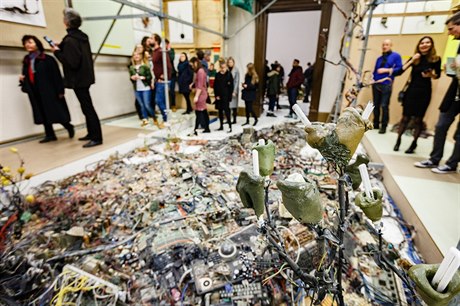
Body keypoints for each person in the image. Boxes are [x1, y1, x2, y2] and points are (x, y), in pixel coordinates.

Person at [414, 13, 460, 174]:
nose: (450, 33)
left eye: (452, 29)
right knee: (441, 125)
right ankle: (434, 159)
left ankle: (452, 164)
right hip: (454, 92)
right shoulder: (458, 44)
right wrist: (453, 68)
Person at [52, 8, 102, 148]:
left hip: (78, 79)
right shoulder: (80, 37)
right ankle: (92, 133)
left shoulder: (70, 40)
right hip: (84, 78)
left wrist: (57, 52)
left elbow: (71, 62)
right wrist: (60, 46)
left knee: (88, 108)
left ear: (66, 22)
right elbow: (75, 53)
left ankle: (96, 137)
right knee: (86, 107)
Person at [20, 35, 74, 143]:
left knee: (56, 111)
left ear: (37, 44)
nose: (27, 45)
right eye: (25, 43)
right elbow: (26, 74)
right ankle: (50, 135)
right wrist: (22, 79)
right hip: (35, 90)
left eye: (30, 42)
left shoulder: (47, 59)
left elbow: (56, 75)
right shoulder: (27, 60)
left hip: (49, 90)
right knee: (42, 112)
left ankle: (68, 126)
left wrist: (60, 90)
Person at [393, 36, 441, 154]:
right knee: (405, 118)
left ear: (431, 45)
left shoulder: (435, 59)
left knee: (418, 120)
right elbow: (398, 72)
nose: (424, 45)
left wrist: (431, 75)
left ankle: (413, 143)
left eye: (427, 42)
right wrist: (411, 61)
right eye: (422, 43)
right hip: (411, 91)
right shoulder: (415, 58)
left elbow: (437, 75)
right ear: (418, 45)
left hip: (424, 92)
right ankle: (398, 140)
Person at [372, 39, 403, 134]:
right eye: (383, 44)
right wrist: (372, 78)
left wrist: (386, 70)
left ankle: (384, 126)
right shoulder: (379, 58)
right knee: (375, 104)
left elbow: (399, 69)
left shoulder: (396, 56)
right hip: (376, 83)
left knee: (384, 105)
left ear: (391, 45)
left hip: (386, 84)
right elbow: (375, 71)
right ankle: (375, 123)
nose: (385, 46)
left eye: (387, 44)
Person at [151, 33, 172, 125]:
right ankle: (166, 118)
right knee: (160, 101)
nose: (149, 40)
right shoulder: (155, 52)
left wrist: (163, 76)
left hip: (162, 81)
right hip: (157, 80)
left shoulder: (161, 51)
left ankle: (166, 119)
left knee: (159, 100)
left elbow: (168, 66)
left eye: (151, 38)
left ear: (156, 40)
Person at [129, 52, 154, 127]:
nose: (136, 56)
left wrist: (144, 77)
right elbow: (131, 79)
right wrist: (132, 78)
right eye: (134, 55)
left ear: (141, 56)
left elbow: (150, 77)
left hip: (146, 88)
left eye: (137, 55)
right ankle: (145, 120)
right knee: (141, 105)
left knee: (147, 105)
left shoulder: (145, 66)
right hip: (137, 89)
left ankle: (154, 118)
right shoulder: (131, 67)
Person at [190, 57, 210, 135]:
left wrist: (196, 96)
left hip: (201, 94)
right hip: (202, 93)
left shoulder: (200, 71)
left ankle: (196, 129)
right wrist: (192, 84)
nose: (192, 67)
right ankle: (206, 128)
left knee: (199, 112)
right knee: (203, 111)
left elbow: (200, 86)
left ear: (195, 63)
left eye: (192, 65)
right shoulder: (199, 71)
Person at [213, 60, 234, 132]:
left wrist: (230, 96)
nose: (223, 69)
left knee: (227, 110)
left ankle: (230, 126)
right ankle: (221, 125)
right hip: (219, 96)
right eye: (222, 67)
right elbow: (215, 86)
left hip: (226, 95)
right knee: (220, 111)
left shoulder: (229, 74)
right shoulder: (217, 74)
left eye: (224, 67)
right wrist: (216, 95)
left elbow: (231, 86)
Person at [165, 38, 177, 112]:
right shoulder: (160, 51)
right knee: (164, 91)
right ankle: (166, 106)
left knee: (172, 91)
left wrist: (169, 50)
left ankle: (173, 105)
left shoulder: (171, 51)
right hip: (164, 74)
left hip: (171, 74)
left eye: (166, 44)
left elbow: (172, 58)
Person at [227, 57, 240, 124]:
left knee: (234, 105)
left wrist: (235, 91)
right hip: (228, 90)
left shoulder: (236, 70)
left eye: (231, 62)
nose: (230, 63)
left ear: (233, 63)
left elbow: (236, 81)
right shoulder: (227, 69)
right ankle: (228, 119)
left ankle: (234, 119)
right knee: (228, 105)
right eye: (229, 62)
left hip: (233, 89)